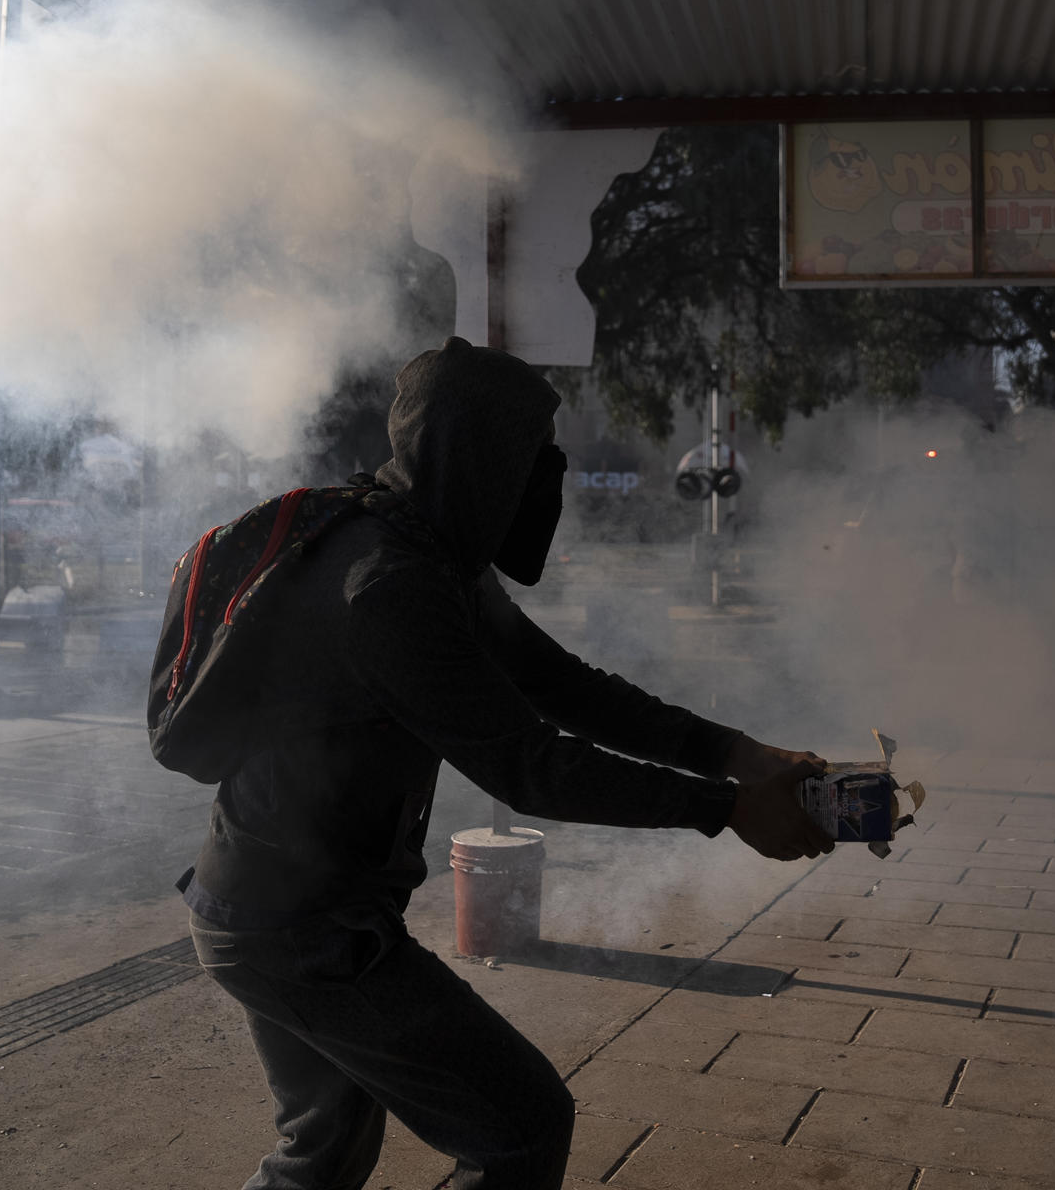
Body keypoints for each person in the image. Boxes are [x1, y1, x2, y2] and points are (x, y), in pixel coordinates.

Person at [179, 336, 835, 1190]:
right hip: (296, 929)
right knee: (520, 1127)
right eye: (530, 453)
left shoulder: (426, 555)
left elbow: (563, 687)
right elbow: (532, 768)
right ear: (470, 453)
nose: (545, 477)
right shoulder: (387, 584)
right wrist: (727, 808)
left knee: (323, 1150)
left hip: (287, 910)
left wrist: (739, 756)